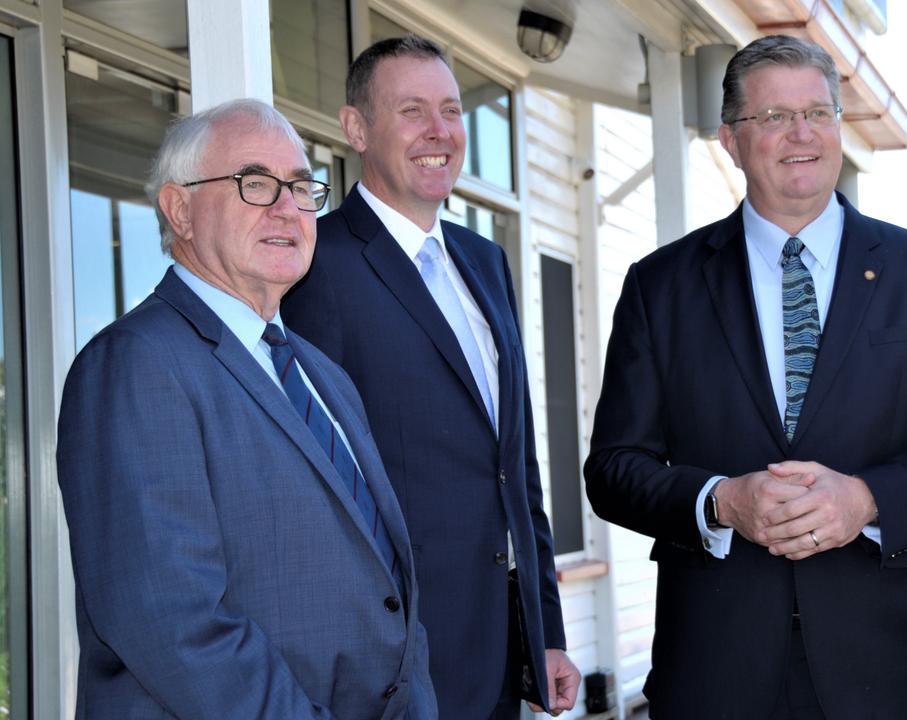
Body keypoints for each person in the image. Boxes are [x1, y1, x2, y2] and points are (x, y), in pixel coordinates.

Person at [584, 35, 907, 719]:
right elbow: (612, 469)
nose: (801, 134)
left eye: (818, 112)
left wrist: (865, 500)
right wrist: (721, 500)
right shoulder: (661, 287)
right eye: (774, 117)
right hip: (717, 668)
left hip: (891, 668)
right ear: (730, 138)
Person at [57, 98, 437, 718]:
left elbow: (390, 587)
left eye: (299, 187)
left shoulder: (325, 377)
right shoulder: (136, 365)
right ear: (179, 209)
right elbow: (174, 622)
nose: (288, 207)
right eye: (255, 183)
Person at [282, 36, 579, 717]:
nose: (439, 131)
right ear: (356, 128)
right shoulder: (315, 266)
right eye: (412, 110)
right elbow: (312, 489)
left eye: (450, 110)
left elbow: (516, 467)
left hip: (503, 656)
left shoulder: (485, 261)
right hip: (395, 664)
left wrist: (546, 632)